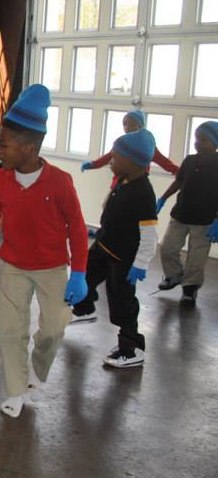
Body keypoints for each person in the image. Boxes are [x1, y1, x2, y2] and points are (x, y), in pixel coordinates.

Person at [0, 84, 89, 418]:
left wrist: (79, 272)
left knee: (53, 329)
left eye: (4, 145)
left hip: (53, 268)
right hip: (15, 267)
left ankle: (37, 370)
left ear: (29, 147)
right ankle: (15, 391)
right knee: (11, 331)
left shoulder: (60, 182)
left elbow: (78, 228)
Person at [70, 129, 158, 369]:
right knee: (85, 277)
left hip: (123, 258)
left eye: (115, 156)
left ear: (132, 161)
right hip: (103, 246)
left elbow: (149, 233)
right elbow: (114, 212)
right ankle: (84, 308)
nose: (110, 160)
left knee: (121, 300)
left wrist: (140, 264)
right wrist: (100, 230)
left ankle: (132, 347)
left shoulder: (143, 192)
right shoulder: (123, 180)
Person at [155, 120, 218, 307]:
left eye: (203, 139)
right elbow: (178, 181)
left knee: (196, 259)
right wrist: (163, 198)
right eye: (196, 139)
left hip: (205, 220)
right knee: (167, 248)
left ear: (215, 142)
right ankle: (173, 275)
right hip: (180, 215)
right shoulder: (189, 160)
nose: (198, 143)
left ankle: (190, 289)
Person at [80, 109, 179, 188]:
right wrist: (93, 164)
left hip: (135, 184)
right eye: (124, 124)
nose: (126, 127)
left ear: (139, 125)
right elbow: (108, 157)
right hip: (119, 184)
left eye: (129, 123)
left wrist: (179, 172)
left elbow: (164, 162)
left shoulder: (147, 146)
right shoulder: (122, 143)